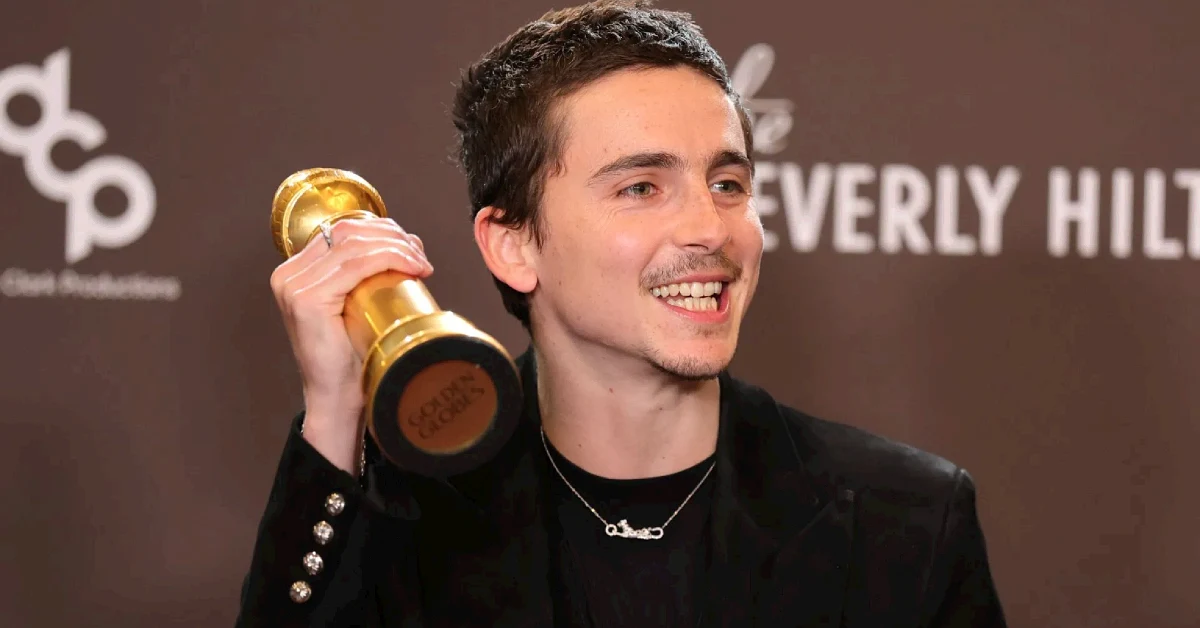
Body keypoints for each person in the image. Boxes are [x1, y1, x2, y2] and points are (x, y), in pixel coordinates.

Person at [235, 1, 1008, 626]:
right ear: (512, 246)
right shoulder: (402, 517)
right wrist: (335, 411)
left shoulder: (903, 521)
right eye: (641, 187)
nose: (711, 227)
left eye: (728, 183)